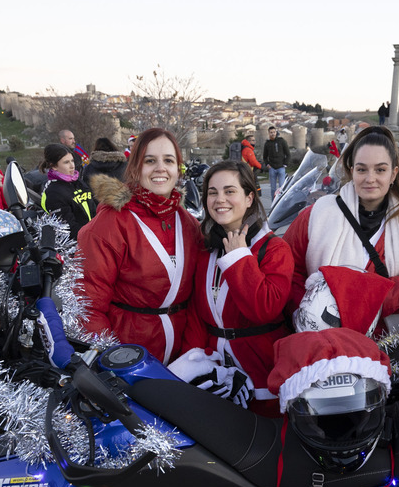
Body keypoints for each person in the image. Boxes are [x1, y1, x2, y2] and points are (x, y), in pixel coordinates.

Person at [284, 125, 399, 333]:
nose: (370, 178)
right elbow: (287, 270)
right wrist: (314, 304)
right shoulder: (316, 215)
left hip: (384, 341)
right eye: (362, 169)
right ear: (352, 171)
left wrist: (361, 297)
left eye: (380, 170)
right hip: (320, 336)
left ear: (393, 174)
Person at [79, 128, 202, 365]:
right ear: (135, 167)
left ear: (178, 169)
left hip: (184, 357)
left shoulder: (189, 224)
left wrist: (192, 354)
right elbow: (88, 307)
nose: (160, 168)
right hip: (130, 357)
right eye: (149, 161)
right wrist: (111, 363)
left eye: (168, 160)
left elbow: (198, 300)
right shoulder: (108, 226)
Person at [179, 162, 292, 416]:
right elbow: (197, 314)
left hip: (263, 375)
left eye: (230, 191)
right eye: (212, 192)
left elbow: (264, 308)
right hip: (217, 375)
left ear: (249, 197)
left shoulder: (274, 249)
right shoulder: (205, 248)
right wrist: (197, 365)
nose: (220, 200)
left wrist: (240, 257)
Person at [39, 144, 95, 239]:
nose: (72, 166)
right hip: (79, 243)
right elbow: (68, 227)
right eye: (66, 162)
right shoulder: (53, 192)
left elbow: (95, 207)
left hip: (94, 234)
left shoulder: (79, 183)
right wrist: (92, 236)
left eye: (72, 161)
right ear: (54, 166)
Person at [262, 126, 291, 197]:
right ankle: (273, 204)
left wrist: (285, 164)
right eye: (271, 132)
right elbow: (265, 156)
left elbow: (288, 154)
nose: (272, 134)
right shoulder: (267, 143)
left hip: (281, 167)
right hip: (272, 168)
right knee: (273, 189)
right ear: (268, 133)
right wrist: (267, 164)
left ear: (276, 132)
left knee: (282, 188)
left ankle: (281, 204)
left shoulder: (281, 141)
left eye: (274, 132)